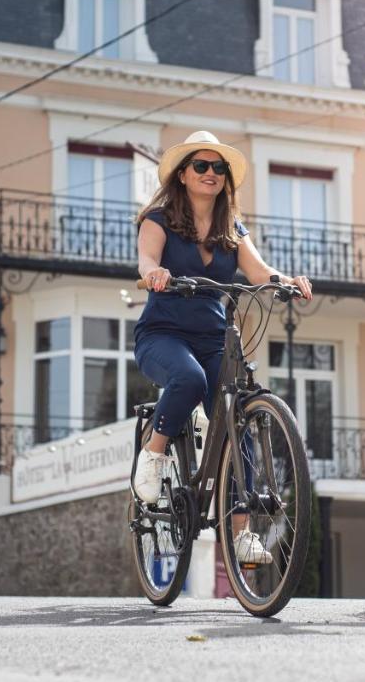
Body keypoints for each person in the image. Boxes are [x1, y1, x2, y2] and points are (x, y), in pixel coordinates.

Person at [130, 131, 313, 565]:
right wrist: (155, 273)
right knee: (188, 379)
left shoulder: (231, 227)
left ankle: (242, 532)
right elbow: (146, 260)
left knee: (239, 418)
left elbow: (259, 271)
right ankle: (154, 453)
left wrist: (286, 282)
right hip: (162, 334)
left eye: (219, 168)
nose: (211, 173)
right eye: (201, 166)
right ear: (182, 174)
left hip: (214, 337)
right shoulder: (158, 218)